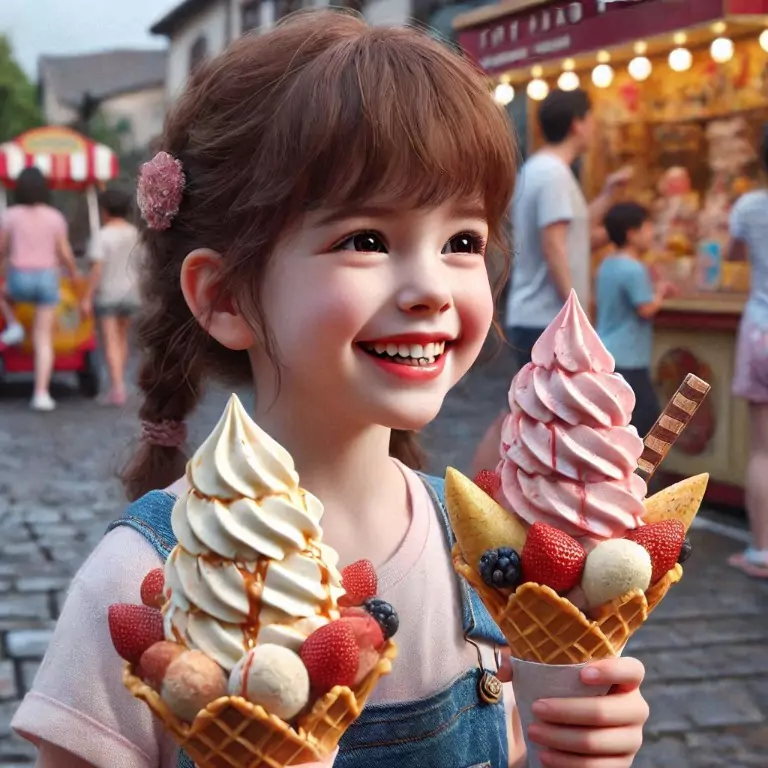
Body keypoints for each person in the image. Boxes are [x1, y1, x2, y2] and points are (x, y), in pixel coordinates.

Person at [12, 13, 649, 767]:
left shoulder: (488, 553)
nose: (431, 288)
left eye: (462, 242)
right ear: (224, 297)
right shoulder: (137, 584)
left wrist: (573, 749)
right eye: (366, 241)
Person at [505, 88, 631, 371]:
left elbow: (574, 235)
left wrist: (609, 195)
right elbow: (554, 246)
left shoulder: (540, 169)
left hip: (538, 317)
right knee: (547, 412)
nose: (594, 128)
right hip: (548, 319)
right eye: (591, 119)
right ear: (577, 123)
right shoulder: (553, 174)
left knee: (529, 408)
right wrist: (578, 314)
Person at [596, 202, 676, 439]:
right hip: (629, 357)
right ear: (632, 234)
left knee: (617, 420)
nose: (651, 234)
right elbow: (646, 308)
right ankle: (633, 472)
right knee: (646, 416)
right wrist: (660, 293)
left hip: (608, 351)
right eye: (647, 228)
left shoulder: (607, 264)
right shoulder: (633, 268)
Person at [0, 167, 78, 411]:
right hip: (47, 279)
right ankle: (41, 394)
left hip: (19, 279)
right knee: (43, 338)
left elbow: (2, 249)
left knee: (3, 295)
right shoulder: (54, 217)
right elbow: (64, 253)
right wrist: (73, 273)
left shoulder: (10, 215)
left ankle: (12, 325)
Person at [727, 124, 768, 579]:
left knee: (763, 449)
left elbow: (734, 252)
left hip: (760, 329)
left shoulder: (750, 206)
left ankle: (761, 551)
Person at [82, 188, 143, 406]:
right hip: (133, 294)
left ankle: (117, 387)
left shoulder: (102, 235)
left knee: (110, 342)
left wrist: (86, 297)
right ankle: (119, 383)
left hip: (108, 295)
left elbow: (96, 269)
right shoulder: (136, 235)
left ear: (105, 210)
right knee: (122, 339)